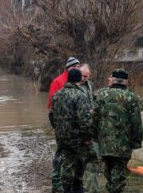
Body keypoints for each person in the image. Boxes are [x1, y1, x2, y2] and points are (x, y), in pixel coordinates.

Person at [93, 69, 143, 193]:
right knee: (119, 171)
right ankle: (114, 189)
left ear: (112, 79)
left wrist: (93, 137)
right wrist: (137, 141)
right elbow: (136, 121)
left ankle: (111, 188)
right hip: (123, 143)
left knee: (109, 169)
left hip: (104, 142)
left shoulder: (100, 94)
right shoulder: (131, 97)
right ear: (126, 81)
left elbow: (94, 117)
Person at [52, 69, 94, 193]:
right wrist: (87, 138)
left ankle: (67, 189)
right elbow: (84, 120)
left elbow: (53, 116)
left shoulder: (57, 94)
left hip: (61, 136)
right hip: (77, 138)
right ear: (78, 79)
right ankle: (77, 187)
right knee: (82, 160)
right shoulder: (80, 95)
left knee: (67, 162)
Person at [48, 56, 81, 193]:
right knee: (61, 155)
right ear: (68, 68)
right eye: (75, 67)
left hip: (75, 129)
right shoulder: (58, 81)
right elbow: (51, 106)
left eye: (79, 67)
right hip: (62, 127)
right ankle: (56, 183)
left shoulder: (80, 82)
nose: (78, 69)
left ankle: (74, 184)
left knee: (74, 157)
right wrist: (57, 126)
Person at [79, 63, 102, 193]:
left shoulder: (90, 85)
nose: (84, 78)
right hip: (82, 127)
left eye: (86, 76)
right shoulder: (74, 87)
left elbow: (93, 99)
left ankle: (91, 187)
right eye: (82, 76)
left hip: (92, 126)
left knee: (94, 159)